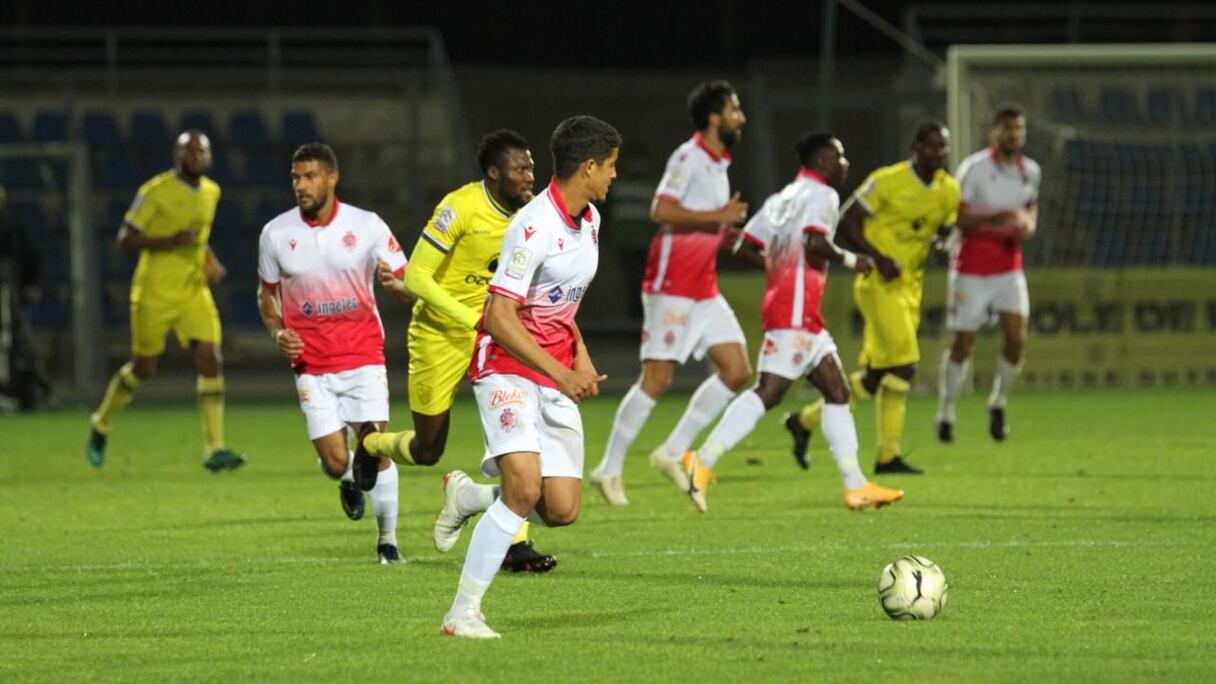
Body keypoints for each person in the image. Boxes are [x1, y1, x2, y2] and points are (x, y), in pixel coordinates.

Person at [436, 115, 620, 638]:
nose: (614, 175)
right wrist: (561, 371)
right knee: (522, 488)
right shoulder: (532, 227)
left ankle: (470, 498)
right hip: (507, 367)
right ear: (589, 167)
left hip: (553, 370)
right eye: (611, 166)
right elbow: (499, 317)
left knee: (560, 509)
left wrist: (580, 355)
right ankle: (462, 613)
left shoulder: (589, 221)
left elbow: (560, 303)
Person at [352, 130, 557, 573]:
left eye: (532, 167)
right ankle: (371, 444)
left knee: (514, 430)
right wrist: (470, 319)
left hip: (496, 338)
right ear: (494, 173)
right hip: (440, 334)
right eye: (520, 169)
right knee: (428, 449)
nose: (530, 176)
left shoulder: (535, 214)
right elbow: (417, 277)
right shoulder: (459, 207)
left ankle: (515, 543)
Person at [679, 133, 905, 513]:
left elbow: (744, 246)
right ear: (822, 162)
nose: (845, 163)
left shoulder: (781, 199)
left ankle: (856, 486)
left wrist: (780, 269)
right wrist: (856, 261)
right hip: (795, 311)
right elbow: (816, 243)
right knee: (768, 392)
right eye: (839, 156)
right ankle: (702, 460)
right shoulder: (824, 196)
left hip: (796, 308)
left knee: (837, 391)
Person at [589, 80, 752, 506]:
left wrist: (729, 232)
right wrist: (718, 215)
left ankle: (673, 451)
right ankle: (608, 468)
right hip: (673, 284)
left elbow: (704, 220)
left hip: (704, 287)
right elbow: (661, 209)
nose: (740, 117)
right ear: (713, 118)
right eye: (734, 110)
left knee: (736, 370)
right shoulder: (688, 156)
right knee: (658, 379)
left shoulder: (718, 162)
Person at [256, 143, 411, 564]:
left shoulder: (367, 225)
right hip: (311, 364)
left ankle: (388, 542)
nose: (300, 185)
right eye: (295, 177)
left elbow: (408, 279)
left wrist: (398, 287)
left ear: (331, 178)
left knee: (374, 447)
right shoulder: (276, 233)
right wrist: (277, 331)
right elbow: (267, 295)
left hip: (363, 356)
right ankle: (345, 476)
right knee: (333, 461)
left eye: (309, 176)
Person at [784, 123, 960, 475]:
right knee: (905, 364)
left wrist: (942, 246)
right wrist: (878, 257)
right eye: (932, 146)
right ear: (915, 147)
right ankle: (887, 456)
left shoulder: (948, 189)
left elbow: (945, 230)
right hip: (878, 283)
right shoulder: (888, 181)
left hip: (911, 286)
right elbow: (849, 219)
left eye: (943, 147)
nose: (938, 153)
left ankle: (804, 421)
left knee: (877, 375)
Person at [86, 131, 245, 471]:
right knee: (143, 367)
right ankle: (102, 423)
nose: (196, 156)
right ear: (177, 156)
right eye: (190, 151)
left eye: (202, 151)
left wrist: (209, 260)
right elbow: (125, 238)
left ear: (209, 157)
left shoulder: (212, 192)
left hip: (193, 291)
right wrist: (170, 240)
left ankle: (215, 448)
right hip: (154, 293)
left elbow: (199, 238)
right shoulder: (154, 191)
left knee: (210, 358)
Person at [936, 107, 1041, 443]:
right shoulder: (975, 168)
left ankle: (997, 403)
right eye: (1008, 128)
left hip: (1009, 268)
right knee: (963, 343)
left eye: (1019, 128)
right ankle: (946, 412)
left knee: (1016, 339)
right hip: (971, 268)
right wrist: (1000, 217)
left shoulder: (1030, 171)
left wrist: (1027, 225)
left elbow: (1030, 211)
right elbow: (959, 217)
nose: (1014, 134)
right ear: (994, 132)